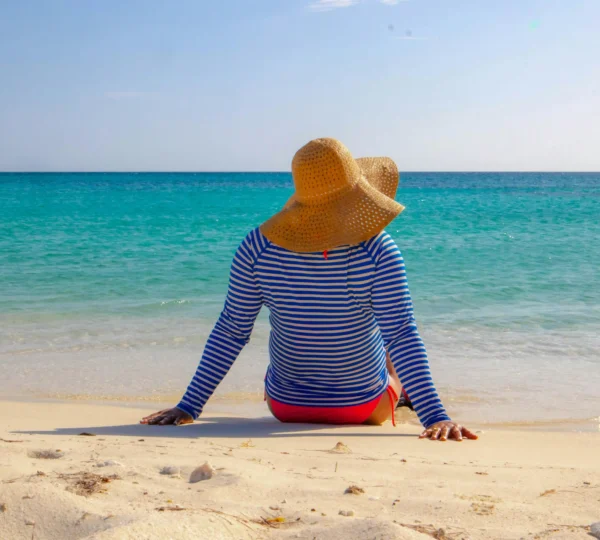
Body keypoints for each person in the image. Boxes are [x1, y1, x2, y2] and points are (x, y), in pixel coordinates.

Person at [141, 138, 477, 442]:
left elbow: (231, 332)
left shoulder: (257, 247)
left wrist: (189, 406)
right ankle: (407, 397)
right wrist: (436, 417)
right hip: (362, 407)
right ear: (360, 197)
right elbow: (402, 335)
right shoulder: (378, 251)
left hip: (286, 407)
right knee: (389, 340)